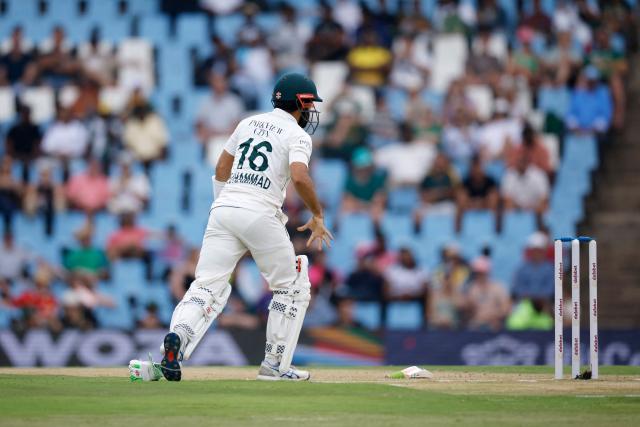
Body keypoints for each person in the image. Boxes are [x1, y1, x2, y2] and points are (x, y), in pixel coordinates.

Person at [157, 73, 332, 382]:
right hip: (261, 212)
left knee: (207, 286)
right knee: (292, 286)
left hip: (223, 210)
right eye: (310, 104)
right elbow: (300, 177)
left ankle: (177, 339)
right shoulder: (298, 135)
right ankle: (274, 366)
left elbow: (222, 167)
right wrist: (317, 213)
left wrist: (226, 206)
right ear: (301, 103)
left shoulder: (247, 123)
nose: (310, 112)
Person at [462, 257, 511, 331]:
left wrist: (494, 317)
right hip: (476, 325)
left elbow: (506, 309)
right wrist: (468, 308)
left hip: (495, 325)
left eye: (481, 272)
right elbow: (467, 312)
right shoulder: (471, 289)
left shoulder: (498, 288)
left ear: (487, 272)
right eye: (477, 273)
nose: (479, 275)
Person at [5, 105, 42, 183]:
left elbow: (37, 146)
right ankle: (16, 185)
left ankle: (32, 186)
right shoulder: (14, 129)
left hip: (31, 158)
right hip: (16, 158)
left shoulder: (35, 129)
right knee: (12, 165)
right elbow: (9, 147)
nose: (25, 115)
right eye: (24, 113)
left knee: (37, 166)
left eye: (27, 113)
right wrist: (18, 157)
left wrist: (30, 157)